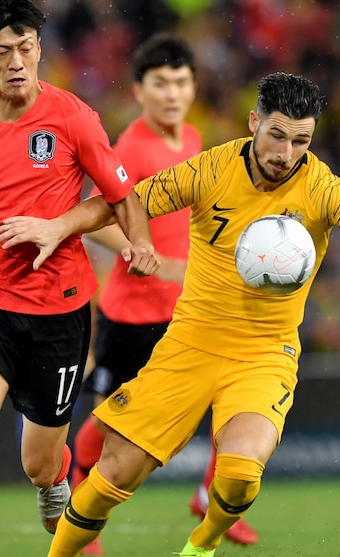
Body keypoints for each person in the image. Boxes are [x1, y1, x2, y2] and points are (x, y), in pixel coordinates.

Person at [46, 72, 340, 557]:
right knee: (116, 469)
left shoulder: (321, 186)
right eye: (277, 135)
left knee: (240, 474)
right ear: (254, 122)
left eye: (301, 140)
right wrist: (60, 226)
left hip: (265, 354)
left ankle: (202, 543)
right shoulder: (210, 170)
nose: (286, 153)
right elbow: (124, 201)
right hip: (191, 343)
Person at [0, 0, 157, 557]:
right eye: (2, 50)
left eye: (25, 47)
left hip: (58, 309)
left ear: (40, 49)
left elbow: (120, 192)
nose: (15, 61)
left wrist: (138, 243)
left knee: (39, 463)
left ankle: (57, 483)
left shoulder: (73, 117)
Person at [72, 33, 257, 556]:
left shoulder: (193, 140)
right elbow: (97, 216)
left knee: (234, 390)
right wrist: (146, 253)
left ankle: (209, 493)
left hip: (185, 309)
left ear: (194, 87)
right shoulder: (131, 147)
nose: (172, 94)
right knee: (114, 425)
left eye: (180, 82)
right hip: (131, 313)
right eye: (160, 84)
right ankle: (76, 486)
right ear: (139, 90)